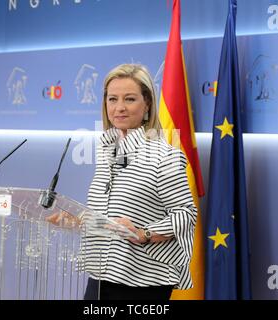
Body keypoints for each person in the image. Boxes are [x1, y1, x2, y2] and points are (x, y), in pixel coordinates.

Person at [48, 63, 197, 300]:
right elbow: (111, 219)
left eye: (129, 99)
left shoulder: (164, 155)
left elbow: (186, 215)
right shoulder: (109, 153)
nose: (119, 108)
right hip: (100, 275)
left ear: (147, 104)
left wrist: (144, 233)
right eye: (112, 99)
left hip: (141, 282)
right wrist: (78, 220)